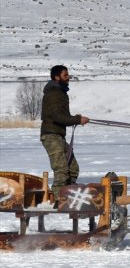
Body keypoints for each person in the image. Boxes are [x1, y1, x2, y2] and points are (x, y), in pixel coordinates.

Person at [40, 65, 89, 201]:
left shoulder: (60, 92)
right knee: (61, 169)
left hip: (58, 136)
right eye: (65, 75)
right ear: (57, 77)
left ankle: (69, 195)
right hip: (51, 136)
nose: (68, 78)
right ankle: (58, 201)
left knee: (73, 168)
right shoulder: (54, 93)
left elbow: (61, 116)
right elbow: (57, 116)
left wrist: (75, 118)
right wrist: (78, 120)